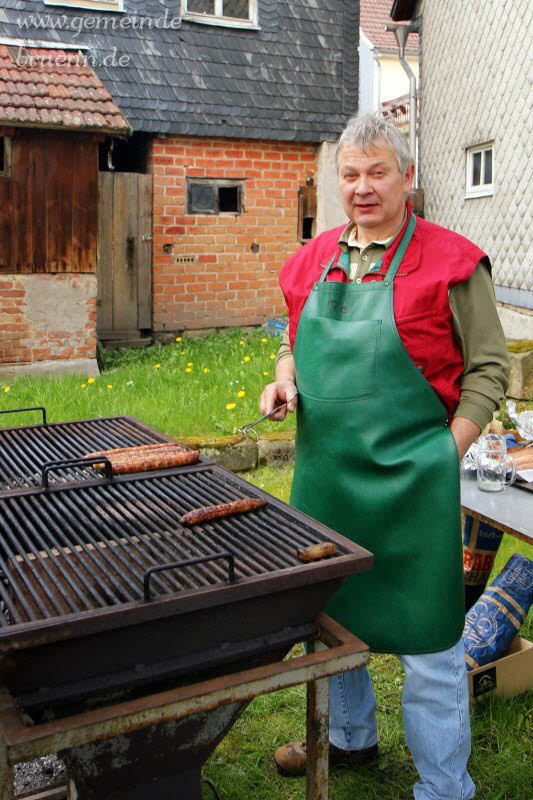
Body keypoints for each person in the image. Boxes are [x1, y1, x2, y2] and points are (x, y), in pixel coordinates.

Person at [259, 112, 509, 800]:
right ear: (336, 181)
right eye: (350, 174)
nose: (363, 188)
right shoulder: (311, 261)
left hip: (413, 487)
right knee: (331, 624)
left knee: (429, 643)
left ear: (407, 176)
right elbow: (292, 344)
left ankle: (442, 785)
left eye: (377, 173)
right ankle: (349, 740)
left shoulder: (453, 263)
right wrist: (283, 380)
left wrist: (444, 450)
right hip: (326, 481)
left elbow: (488, 370)